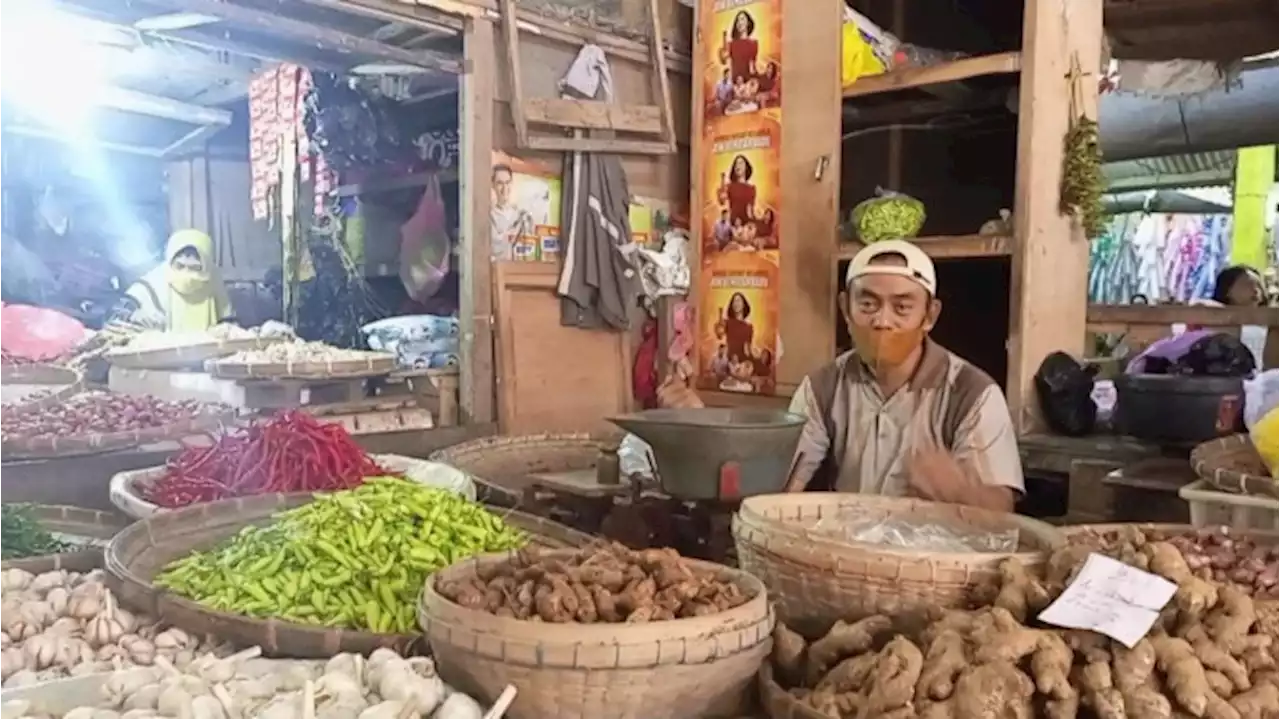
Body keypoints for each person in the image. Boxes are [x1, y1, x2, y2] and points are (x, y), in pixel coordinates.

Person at [656, 240, 1024, 511]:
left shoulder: (971, 393)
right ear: (846, 309)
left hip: (935, 565)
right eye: (868, 304)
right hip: (841, 556)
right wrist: (703, 424)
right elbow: (780, 491)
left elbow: (1002, 511)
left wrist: (961, 491)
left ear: (930, 316)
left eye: (902, 307)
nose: (882, 321)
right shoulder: (823, 387)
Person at [126, 229, 232, 332]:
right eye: (180, 266)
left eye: (194, 268)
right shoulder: (153, 282)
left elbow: (227, 318)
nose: (186, 274)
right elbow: (123, 309)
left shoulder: (213, 278)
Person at [490, 164, 533, 260]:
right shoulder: (490, 216)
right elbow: (493, 248)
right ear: (493, 185)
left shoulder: (521, 215)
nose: (505, 188)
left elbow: (531, 244)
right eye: (500, 183)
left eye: (507, 182)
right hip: (500, 270)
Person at [720, 11, 759, 83]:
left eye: (742, 19)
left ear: (748, 23)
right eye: (737, 20)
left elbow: (753, 67)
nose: (739, 22)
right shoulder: (731, 44)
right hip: (735, 84)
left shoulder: (754, 43)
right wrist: (724, 36)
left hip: (748, 85)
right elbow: (723, 60)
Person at [724, 155, 757, 225]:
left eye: (741, 163)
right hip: (733, 224)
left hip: (747, 225)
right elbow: (722, 202)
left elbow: (750, 211)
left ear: (746, 167)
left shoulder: (752, 188)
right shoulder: (730, 186)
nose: (738, 166)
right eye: (736, 164)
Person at [723, 291, 754, 362]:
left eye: (738, 300)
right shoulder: (727, 323)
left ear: (743, 304)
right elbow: (719, 335)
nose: (736, 303)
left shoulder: (749, 327)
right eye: (734, 301)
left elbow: (748, 349)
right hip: (730, 361)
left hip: (744, 362)